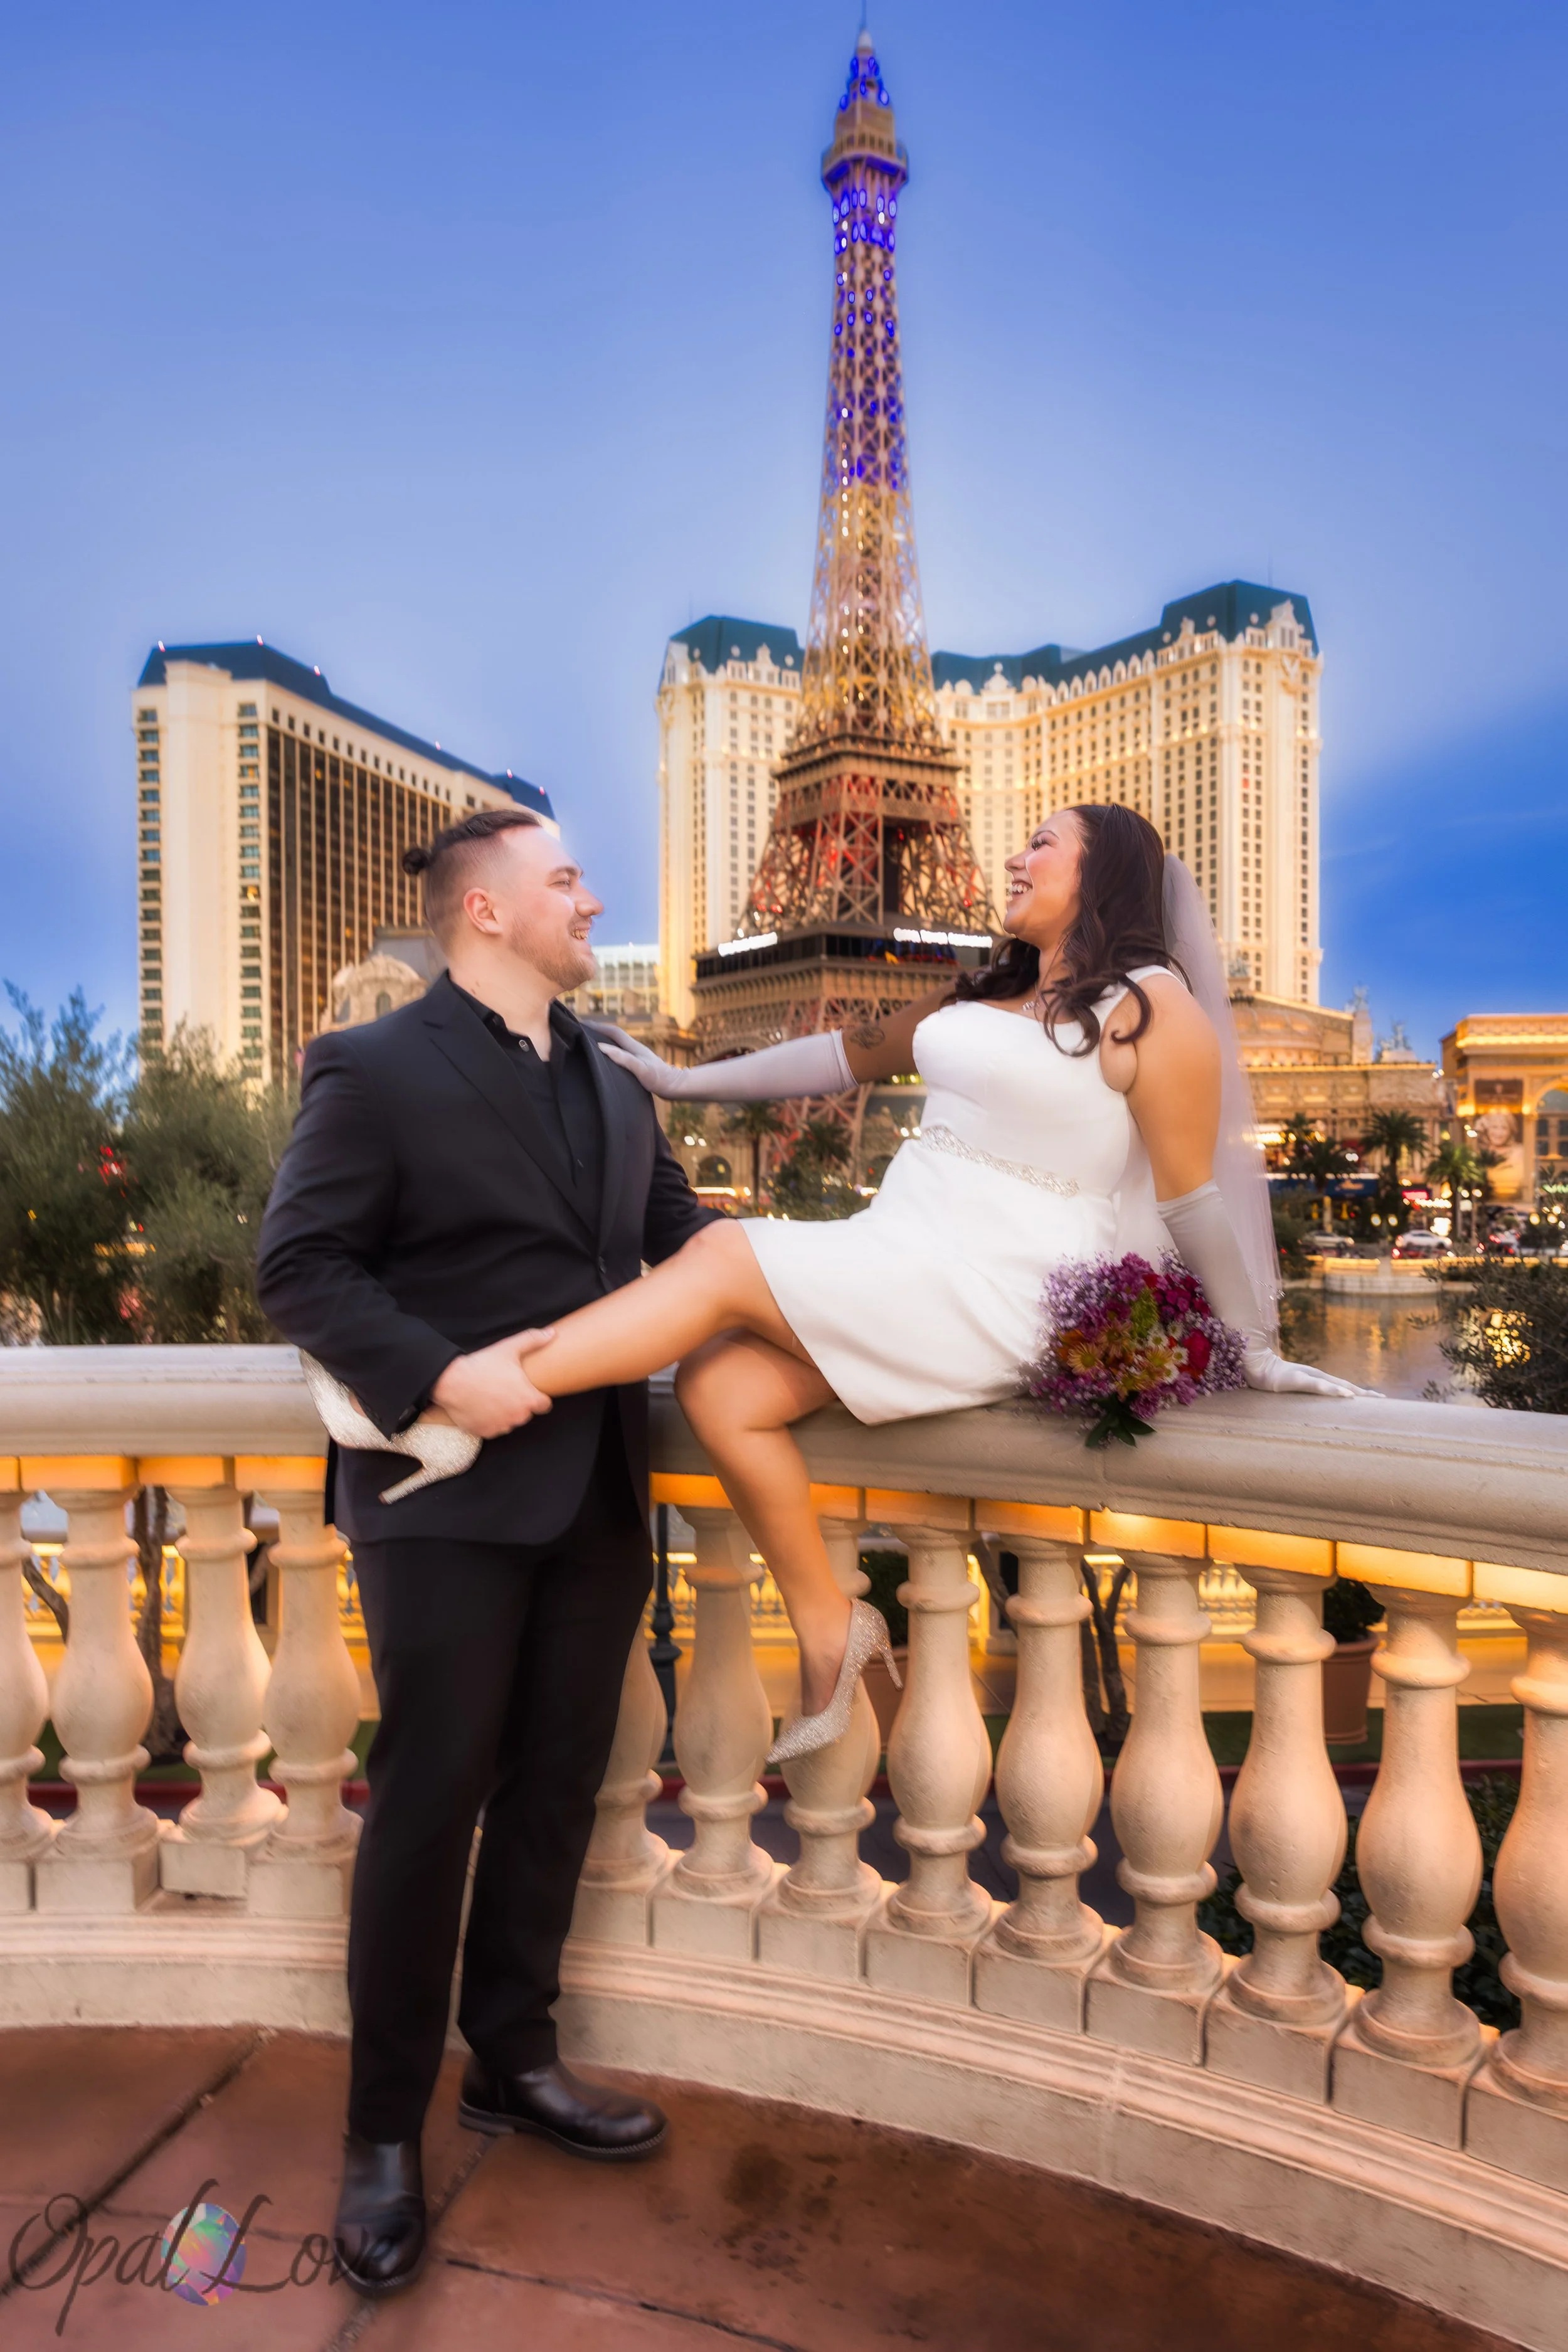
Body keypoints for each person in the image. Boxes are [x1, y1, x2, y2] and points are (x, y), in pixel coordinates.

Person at [313, 802, 1361, 1786]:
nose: (1015, 856)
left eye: (1043, 843)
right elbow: (838, 1054)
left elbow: (1190, 1199)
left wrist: (1252, 1341)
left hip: (1010, 1278)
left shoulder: (1151, 1007)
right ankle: (830, 1625)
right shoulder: (986, 992)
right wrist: (681, 1084)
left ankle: (461, 1397)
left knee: (722, 1263)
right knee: (725, 1388)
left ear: (1107, 871)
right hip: (905, 1247)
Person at [256, 807, 721, 2299]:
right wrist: (439, 1378)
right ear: (485, 915)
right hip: (444, 1498)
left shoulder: (615, 1077)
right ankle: (380, 2135)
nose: (593, 896)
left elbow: (683, 1249)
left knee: (554, 1795)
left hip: (592, 1493)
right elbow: (299, 1265)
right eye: (566, 879)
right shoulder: (375, 1068)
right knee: (427, 1801)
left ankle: (512, 2060)